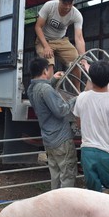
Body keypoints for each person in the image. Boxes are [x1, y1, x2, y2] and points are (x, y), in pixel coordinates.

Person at [73, 60, 109, 201]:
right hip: (107, 153)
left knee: (93, 192)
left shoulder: (81, 98)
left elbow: (79, 123)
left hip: (87, 151)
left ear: (91, 78)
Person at [27, 57, 78, 189]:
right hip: (61, 138)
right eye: (50, 69)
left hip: (49, 138)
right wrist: (76, 99)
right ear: (45, 71)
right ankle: (65, 205)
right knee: (67, 174)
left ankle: (54, 205)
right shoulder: (46, 89)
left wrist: (53, 80)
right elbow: (61, 110)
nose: (51, 71)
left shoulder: (31, 89)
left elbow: (45, 92)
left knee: (55, 174)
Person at [34, 0, 86, 90]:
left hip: (61, 41)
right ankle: (49, 92)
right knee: (49, 66)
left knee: (76, 62)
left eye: (70, 3)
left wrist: (83, 57)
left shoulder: (76, 15)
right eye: (64, 3)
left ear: (73, 1)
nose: (67, 7)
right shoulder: (49, 6)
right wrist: (46, 46)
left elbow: (79, 38)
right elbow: (38, 27)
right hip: (44, 40)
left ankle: (77, 92)